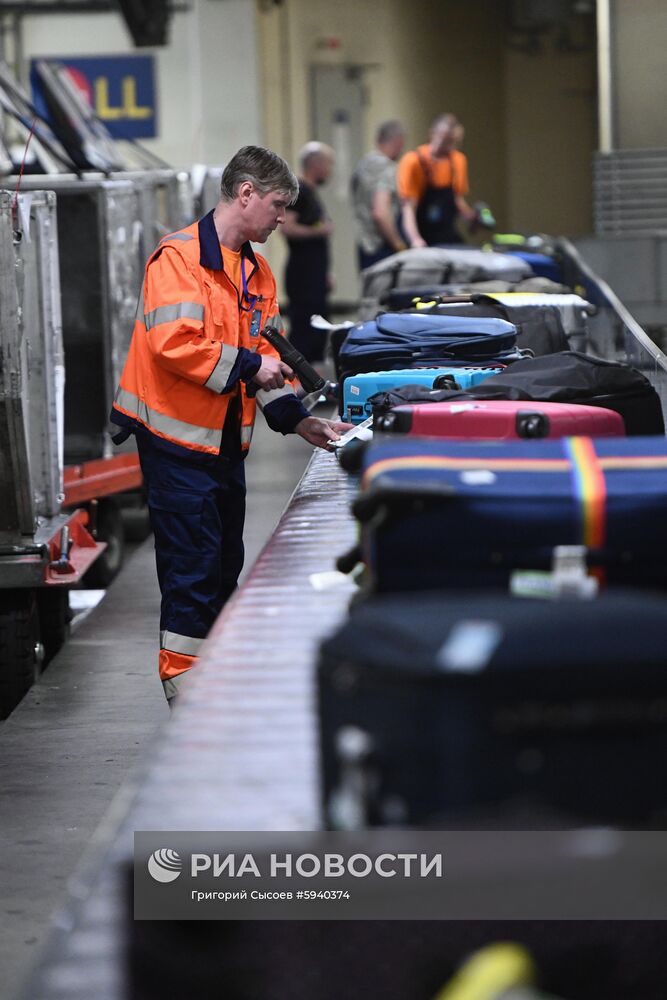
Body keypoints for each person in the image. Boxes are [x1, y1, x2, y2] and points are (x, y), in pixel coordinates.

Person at [110, 145, 351, 703]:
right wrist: (250, 364)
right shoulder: (178, 259)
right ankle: (186, 694)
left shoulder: (257, 272)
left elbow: (266, 356)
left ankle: (215, 685)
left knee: (222, 566)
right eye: (277, 204)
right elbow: (174, 344)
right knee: (192, 570)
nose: (282, 217)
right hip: (176, 444)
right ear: (245, 194)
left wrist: (298, 422)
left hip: (223, 448)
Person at [282, 141, 334, 363]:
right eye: (328, 164)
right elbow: (287, 227)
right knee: (305, 331)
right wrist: (319, 231)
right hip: (302, 275)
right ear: (317, 164)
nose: (330, 170)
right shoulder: (299, 191)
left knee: (318, 333)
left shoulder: (311, 192)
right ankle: (294, 383)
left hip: (315, 274)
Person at [397, 112, 476, 247]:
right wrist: (415, 239)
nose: (447, 146)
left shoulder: (458, 161)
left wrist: (472, 217)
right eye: (444, 139)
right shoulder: (413, 161)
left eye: (451, 141)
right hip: (421, 233)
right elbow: (408, 207)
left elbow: (457, 200)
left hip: (446, 234)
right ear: (432, 134)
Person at [350, 119, 407, 271]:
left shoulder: (363, 165)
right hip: (382, 246)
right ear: (398, 142)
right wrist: (399, 245)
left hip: (365, 244)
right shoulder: (386, 167)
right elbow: (380, 213)